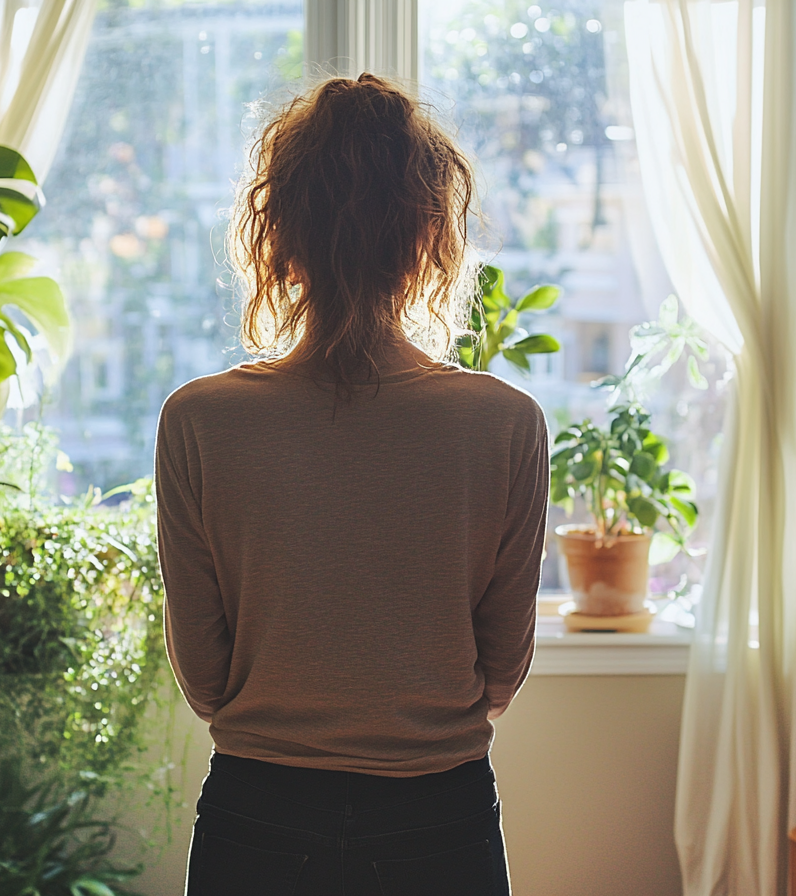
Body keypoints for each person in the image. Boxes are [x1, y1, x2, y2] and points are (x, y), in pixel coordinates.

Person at [154, 72, 549, 896]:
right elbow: (501, 669)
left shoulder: (199, 421)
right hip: (438, 817)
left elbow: (205, 677)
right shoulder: (506, 424)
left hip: (257, 819)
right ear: (429, 237)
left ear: (279, 235)